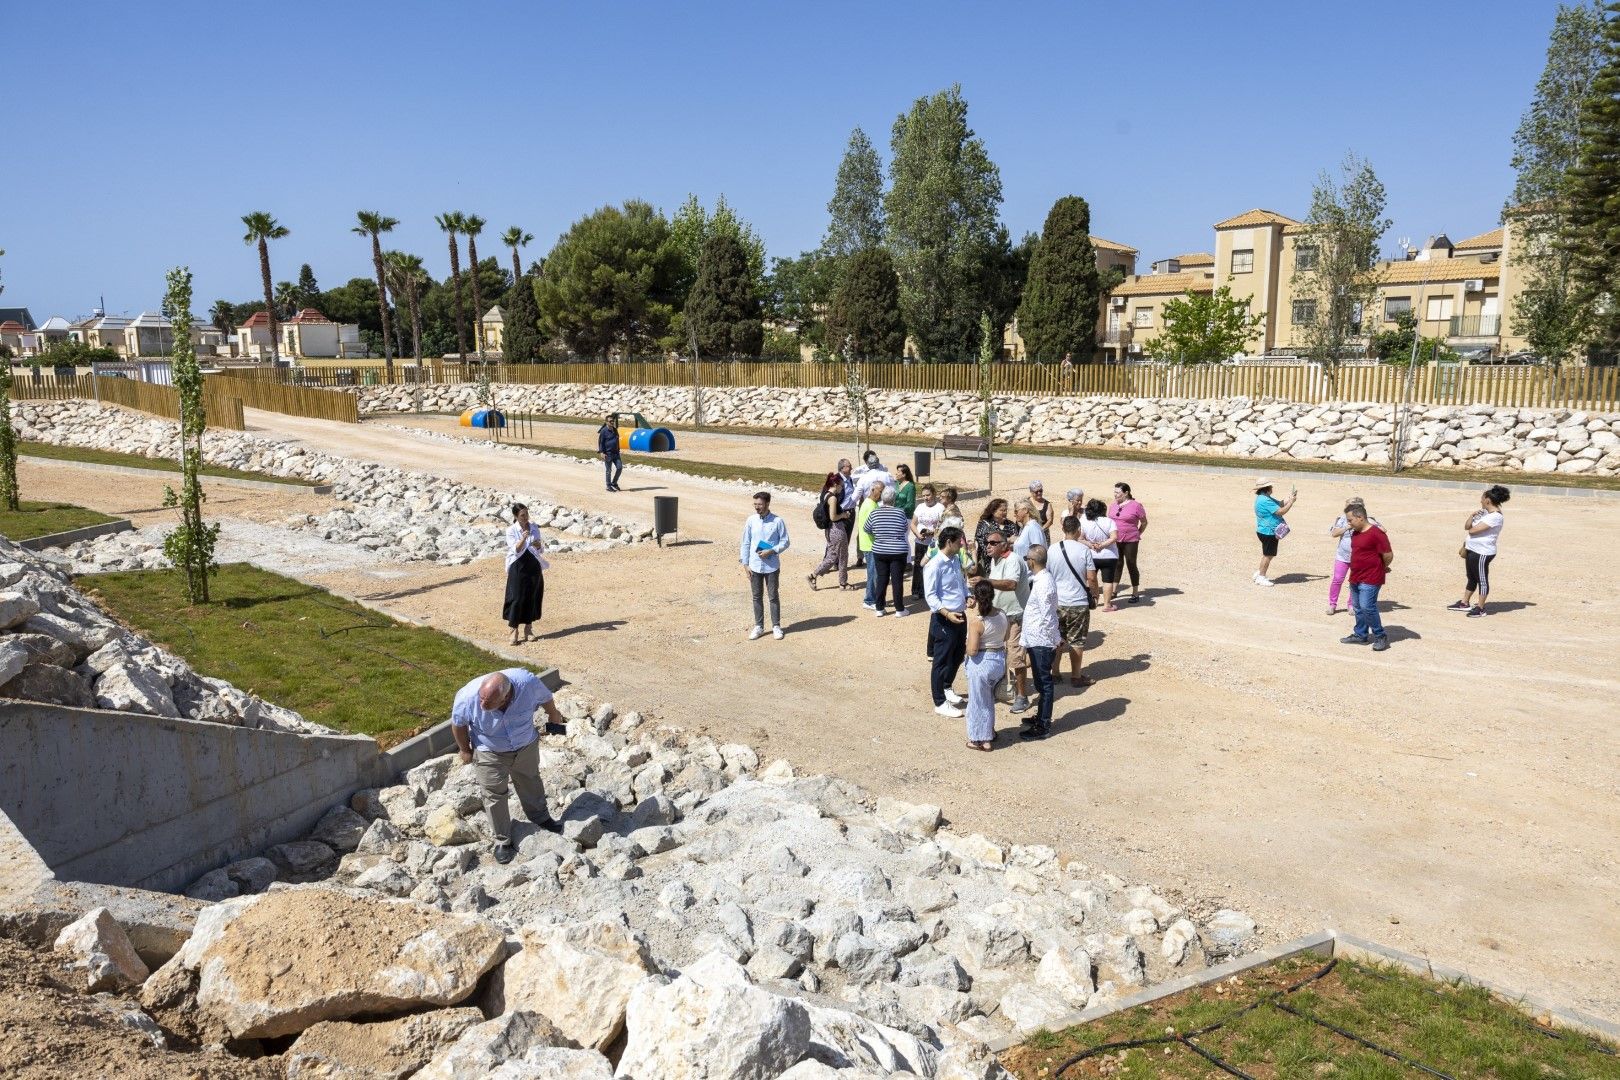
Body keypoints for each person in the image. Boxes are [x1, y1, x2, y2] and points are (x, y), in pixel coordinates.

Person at [451, 668, 567, 863]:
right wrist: (464, 749)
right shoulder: (467, 696)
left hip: (525, 745)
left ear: (505, 697)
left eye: (488, 704)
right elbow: (458, 724)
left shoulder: (527, 684)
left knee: (530, 780)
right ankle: (502, 840)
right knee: (493, 794)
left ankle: (541, 818)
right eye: (481, 700)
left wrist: (553, 715)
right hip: (490, 751)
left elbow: (546, 697)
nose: (481, 704)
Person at [923, 526, 970, 718]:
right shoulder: (934, 565)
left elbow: (960, 583)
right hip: (944, 618)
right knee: (941, 660)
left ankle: (947, 686)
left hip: (959, 614)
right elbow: (931, 596)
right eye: (959, 541)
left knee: (958, 654)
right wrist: (946, 613)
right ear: (949, 542)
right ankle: (940, 701)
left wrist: (968, 596)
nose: (962, 544)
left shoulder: (955, 559)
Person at [1048, 515, 1098, 688]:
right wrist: (1095, 594)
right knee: (1077, 640)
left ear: (1063, 530)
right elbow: (1091, 577)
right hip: (1077, 602)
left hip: (1057, 602)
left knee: (1057, 638)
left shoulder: (1052, 549)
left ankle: (1054, 673)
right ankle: (1076, 676)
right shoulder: (1083, 551)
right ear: (1079, 531)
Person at [984, 531, 1030, 713]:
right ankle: (1002, 685)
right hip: (999, 616)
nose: (988, 545)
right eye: (987, 542)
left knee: (1015, 656)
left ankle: (1022, 696)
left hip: (1014, 616)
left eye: (993, 543)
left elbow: (1011, 584)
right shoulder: (994, 560)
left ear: (1004, 545)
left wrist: (986, 582)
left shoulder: (1013, 560)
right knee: (997, 652)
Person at [1450, 485, 1510, 618]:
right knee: (1471, 577)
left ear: (1488, 500)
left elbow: (1472, 530)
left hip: (1483, 552)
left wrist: (1473, 526)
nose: (1481, 501)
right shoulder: (1484, 514)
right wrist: (1472, 516)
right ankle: (1464, 603)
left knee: (1482, 580)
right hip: (1472, 549)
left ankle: (1481, 608)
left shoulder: (1495, 517)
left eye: (1482, 498)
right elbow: (1467, 526)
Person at [963, 579, 1008, 752]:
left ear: (976, 597)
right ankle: (989, 731)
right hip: (998, 661)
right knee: (988, 699)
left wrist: (966, 644)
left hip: (981, 665)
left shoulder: (977, 622)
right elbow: (1005, 637)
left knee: (977, 702)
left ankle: (980, 739)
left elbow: (972, 650)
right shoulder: (1002, 614)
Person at [1019, 545, 1059, 740]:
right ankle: (1041, 717)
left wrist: (1055, 640)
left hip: (1042, 641)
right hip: (1038, 638)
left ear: (1032, 561)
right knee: (1041, 682)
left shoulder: (1043, 582)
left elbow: (1048, 615)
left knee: (1044, 684)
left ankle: (1043, 725)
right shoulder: (1041, 579)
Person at [1340, 506, 1393, 651]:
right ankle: (1361, 635)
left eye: (1350, 520)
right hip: (1355, 576)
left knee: (1367, 607)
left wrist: (1381, 567)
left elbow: (1388, 555)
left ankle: (1380, 635)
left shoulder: (1376, 534)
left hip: (1371, 577)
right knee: (1357, 607)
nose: (1349, 523)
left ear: (1360, 518)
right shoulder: (1355, 532)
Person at [739, 491, 790, 640]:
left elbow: (785, 542)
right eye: (755, 504)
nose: (757, 507)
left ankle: (776, 626)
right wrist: (745, 563)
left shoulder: (778, 521)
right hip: (754, 566)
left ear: (767, 504)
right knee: (756, 597)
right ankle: (759, 626)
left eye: (759, 504)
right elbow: (746, 543)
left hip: (772, 566)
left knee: (773, 596)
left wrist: (772, 550)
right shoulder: (751, 520)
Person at [502, 503, 547, 645]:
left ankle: (528, 629)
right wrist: (523, 538)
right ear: (516, 516)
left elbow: (539, 549)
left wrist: (539, 546)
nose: (526, 517)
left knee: (532, 595)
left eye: (527, 514)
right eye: (522, 515)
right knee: (516, 596)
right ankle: (513, 629)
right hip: (518, 565)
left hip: (533, 564)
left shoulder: (534, 527)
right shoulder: (511, 530)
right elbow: (515, 549)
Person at [864, 488, 913, 617]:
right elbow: (904, 528)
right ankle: (899, 609)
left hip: (880, 549)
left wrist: (879, 533)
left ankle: (879, 608)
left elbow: (867, 528)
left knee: (882, 579)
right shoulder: (900, 512)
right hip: (897, 550)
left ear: (882, 499)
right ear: (894, 499)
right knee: (897, 580)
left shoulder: (875, 513)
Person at [1326, 497, 1370, 616]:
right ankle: (1332, 604)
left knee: (1355, 581)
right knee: (1337, 580)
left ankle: (1351, 605)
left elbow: (1379, 530)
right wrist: (1347, 527)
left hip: (1358, 558)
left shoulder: (1365, 520)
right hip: (1342, 556)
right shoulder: (1342, 519)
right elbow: (1334, 533)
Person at [809, 471, 851, 591]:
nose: (842, 488)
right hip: (837, 529)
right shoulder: (832, 498)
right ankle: (842, 583)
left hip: (830, 530)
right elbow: (833, 517)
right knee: (841, 556)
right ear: (836, 484)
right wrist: (844, 515)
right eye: (841, 485)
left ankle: (814, 575)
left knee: (833, 556)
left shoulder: (825, 494)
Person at [1108, 483, 1147, 603]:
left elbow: (1144, 522)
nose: (1115, 495)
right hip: (1115, 539)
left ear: (1126, 493)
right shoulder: (1113, 505)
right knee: (1117, 563)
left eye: (1118, 493)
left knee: (1131, 564)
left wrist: (1137, 533)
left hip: (1131, 539)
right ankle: (1114, 590)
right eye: (1114, 492)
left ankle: (1135, 592)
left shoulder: (1136, 505)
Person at [1253, 479, 1297, 586]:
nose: (1272, 488)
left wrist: (1290, 497)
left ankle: (1259, 573)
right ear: (1267, 488)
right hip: (1269, 532)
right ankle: (1261, 577)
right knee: (1268, 555)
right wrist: (1291, 503)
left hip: (1265, 530)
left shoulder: (1264, 498)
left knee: (1268, 554)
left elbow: (1280, 504)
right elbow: (1281, 511)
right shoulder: (1265, 500)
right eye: (1271, 487)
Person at [1080, 499, 1121, 612]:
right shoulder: (1109, 521)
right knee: (1108, 581)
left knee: (1091, 579)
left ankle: (1094, 601)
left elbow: (1080, 538)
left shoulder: (1084, 522)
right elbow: (1114, 537)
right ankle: (1107, 605)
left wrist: (1091, 545)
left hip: (1092, 555)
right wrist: (1102, 545)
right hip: (1109, 555)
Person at [911, 484, 945, 601]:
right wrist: (918, 534)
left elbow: (943, 526)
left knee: (935, 566)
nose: (926, 498)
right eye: (923, 495)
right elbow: (913, 524)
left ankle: (933, 590)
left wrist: (933, 533)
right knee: (918, 566)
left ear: (934, 494)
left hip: (934, 542)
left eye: (928, 495)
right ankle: (917, 590)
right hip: (920, 541)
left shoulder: (940, 507)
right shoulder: (920, 507)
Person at [855, 482, 884, 608]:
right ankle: (869, 600)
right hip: (870, 544)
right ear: (873, 490)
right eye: (880, 491)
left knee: (873, 573)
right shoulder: (871, 506)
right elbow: (871, 527)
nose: (881, 494)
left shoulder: (870, 503)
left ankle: (872, 598)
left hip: (869, 544)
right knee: (873, 574)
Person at [973, 498, 1017, 565]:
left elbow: (1016, 542)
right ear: (993, 512)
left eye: (1006, 510)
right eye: (1002, 510)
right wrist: (1008, 540)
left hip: (1008, 562)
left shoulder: (1011, 524)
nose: (1005, 512)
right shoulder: (985, 525)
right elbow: (985, 544)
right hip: (988, 564)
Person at [597, 413, 623, 492]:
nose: (612, 422)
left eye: (613, 421)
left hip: (616, 453)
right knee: (608, 471)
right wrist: (601, 452)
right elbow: (601, 442)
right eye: (610, 421)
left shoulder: (615, 430)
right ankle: (608, 486)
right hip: (607, 454)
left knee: (619, 467)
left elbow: (617, 440)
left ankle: (614, 483)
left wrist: (618, 449)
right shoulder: (603, 431)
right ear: (606, 422)